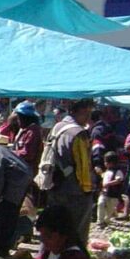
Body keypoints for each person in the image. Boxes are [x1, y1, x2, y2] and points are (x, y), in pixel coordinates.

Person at [47, 98, 95, 246]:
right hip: (75, 191)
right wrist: (88, 189)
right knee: (76, 233)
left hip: (55, 185)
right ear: (74, 111)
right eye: (85, 112)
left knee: (55, 228)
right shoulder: (79, 133)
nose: (88, 117)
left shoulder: (57, 127)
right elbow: (83, 166)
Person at [12, 100, 44, 174]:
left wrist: (11, 153)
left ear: (25, 118)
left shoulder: (33, 132)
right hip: (21, 168)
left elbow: (28, 154)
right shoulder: (25, 130)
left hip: (27, 171)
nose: (17, 121)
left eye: (18, 118)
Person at [97, 151, 126, 227]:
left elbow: (118, 180)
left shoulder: (118, 171)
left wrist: (108, 183)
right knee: (100, 204)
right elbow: (104, 177)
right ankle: (100, 221)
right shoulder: (107, 171)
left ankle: (107, 220)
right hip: (104, 193)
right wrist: (100, 173)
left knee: (109, 209)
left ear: (111, 163)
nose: (105, 163)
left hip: (113, 194)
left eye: (106, 162)